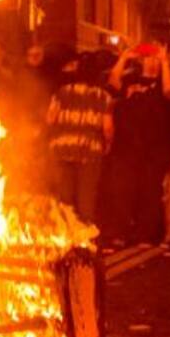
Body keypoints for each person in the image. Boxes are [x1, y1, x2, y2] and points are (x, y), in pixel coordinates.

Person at [104, 42, 170, 245]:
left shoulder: (164, 80)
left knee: (150, 191)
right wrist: (123, 58)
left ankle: (146, 234)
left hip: (153, 147)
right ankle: (120, 232)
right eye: (147, 58)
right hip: (126, 145)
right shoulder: (129, 79)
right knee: (122, 190)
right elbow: (112, 82)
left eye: (153, 59)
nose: (150, 62)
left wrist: (164, 62)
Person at [46, 52, 114, 223]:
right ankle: (84, 238)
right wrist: (108, 143)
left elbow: (50, 119)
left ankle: (65, 234)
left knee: (65, 196)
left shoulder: (62, 93)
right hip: (89, 150)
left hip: (62, 147)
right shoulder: (103, 96)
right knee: (86, 195)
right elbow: (107, 127)